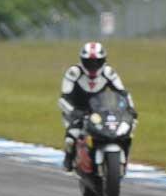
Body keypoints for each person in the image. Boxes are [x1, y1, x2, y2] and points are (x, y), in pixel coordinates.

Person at [58, 42, 138, 171]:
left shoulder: (108, 72)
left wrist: (130, 108)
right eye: (89, 62)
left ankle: (123, 157)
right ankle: (69, 158)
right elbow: (64, 98)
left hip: (100, 109)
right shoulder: (74, 73)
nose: (93, 66)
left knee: (124, 130)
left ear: (103, 61)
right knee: (72, 135)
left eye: (97, 62)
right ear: (82, 61)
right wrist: (73, 111)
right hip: (77, 110)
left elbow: (123, 93)